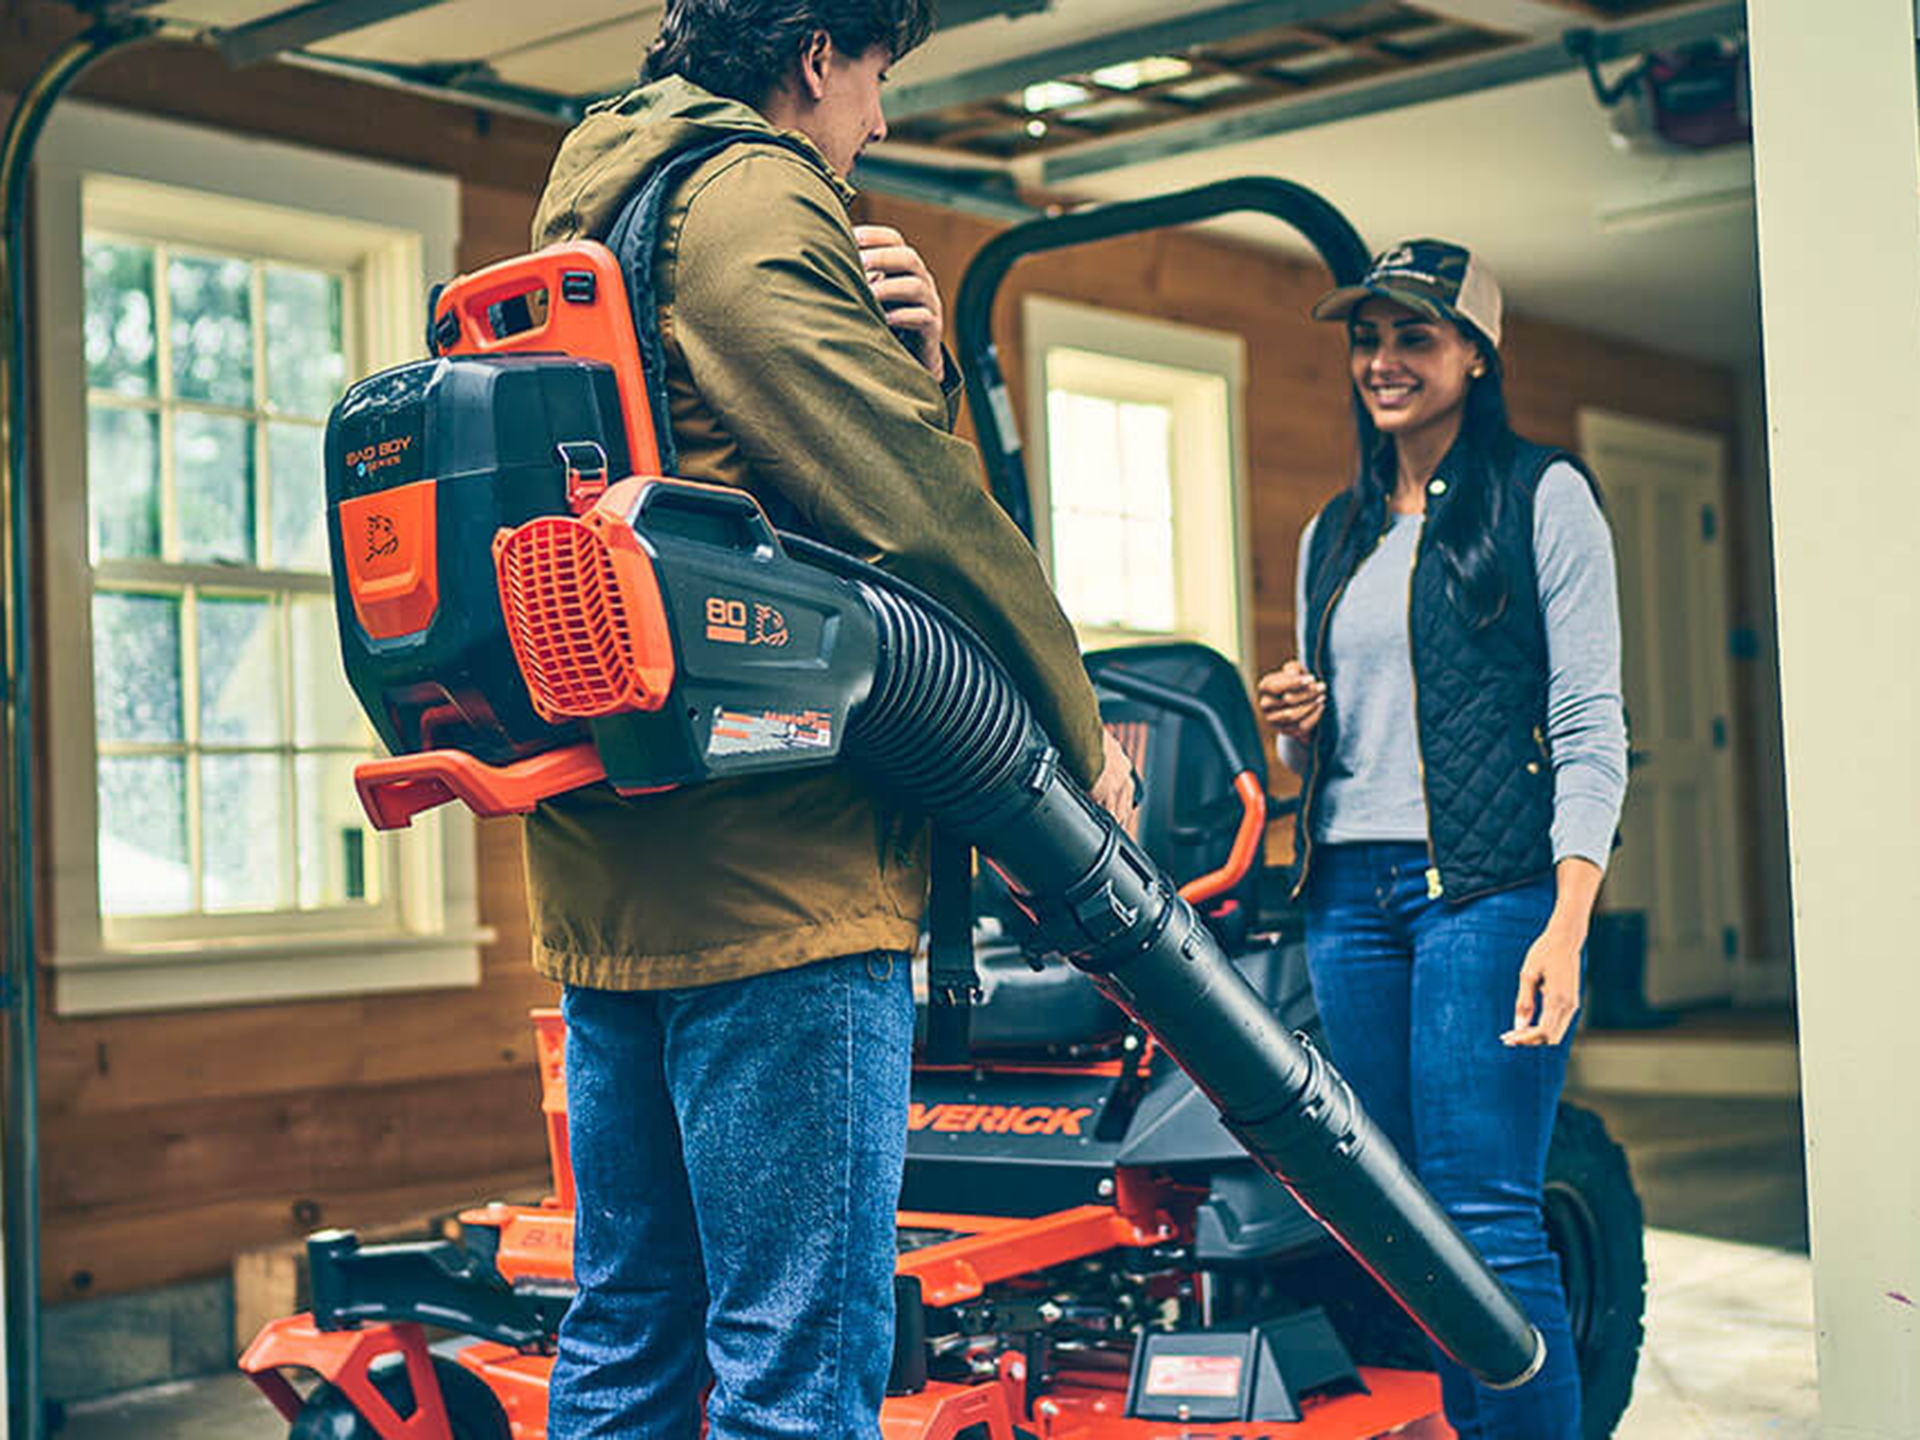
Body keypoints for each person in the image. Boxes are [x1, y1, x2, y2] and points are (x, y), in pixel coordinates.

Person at [522, 2, 1138, 1434]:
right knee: (794, 1371)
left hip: (612, 872)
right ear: (814, 57)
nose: (880, 119)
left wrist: (909, 369)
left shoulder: (597, 200)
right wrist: (1078, 733)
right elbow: (909, 512)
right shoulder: (752, 195)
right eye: (875, 76)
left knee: (626, 1334)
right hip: (780, 881)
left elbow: (734, 473)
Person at [1257, 239, 1627, 1439]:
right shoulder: (1335, 531)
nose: (1383, 360)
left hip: (1485, 892)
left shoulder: (1544, 496)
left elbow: (1589, 723)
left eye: (1414, 336)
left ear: (1476, 354)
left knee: (1488, 1218)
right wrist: (1297, 733)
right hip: (1348, 901)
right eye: (1367, 338)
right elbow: (1326, 764)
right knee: (1410, 1228)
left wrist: (1568, 922)